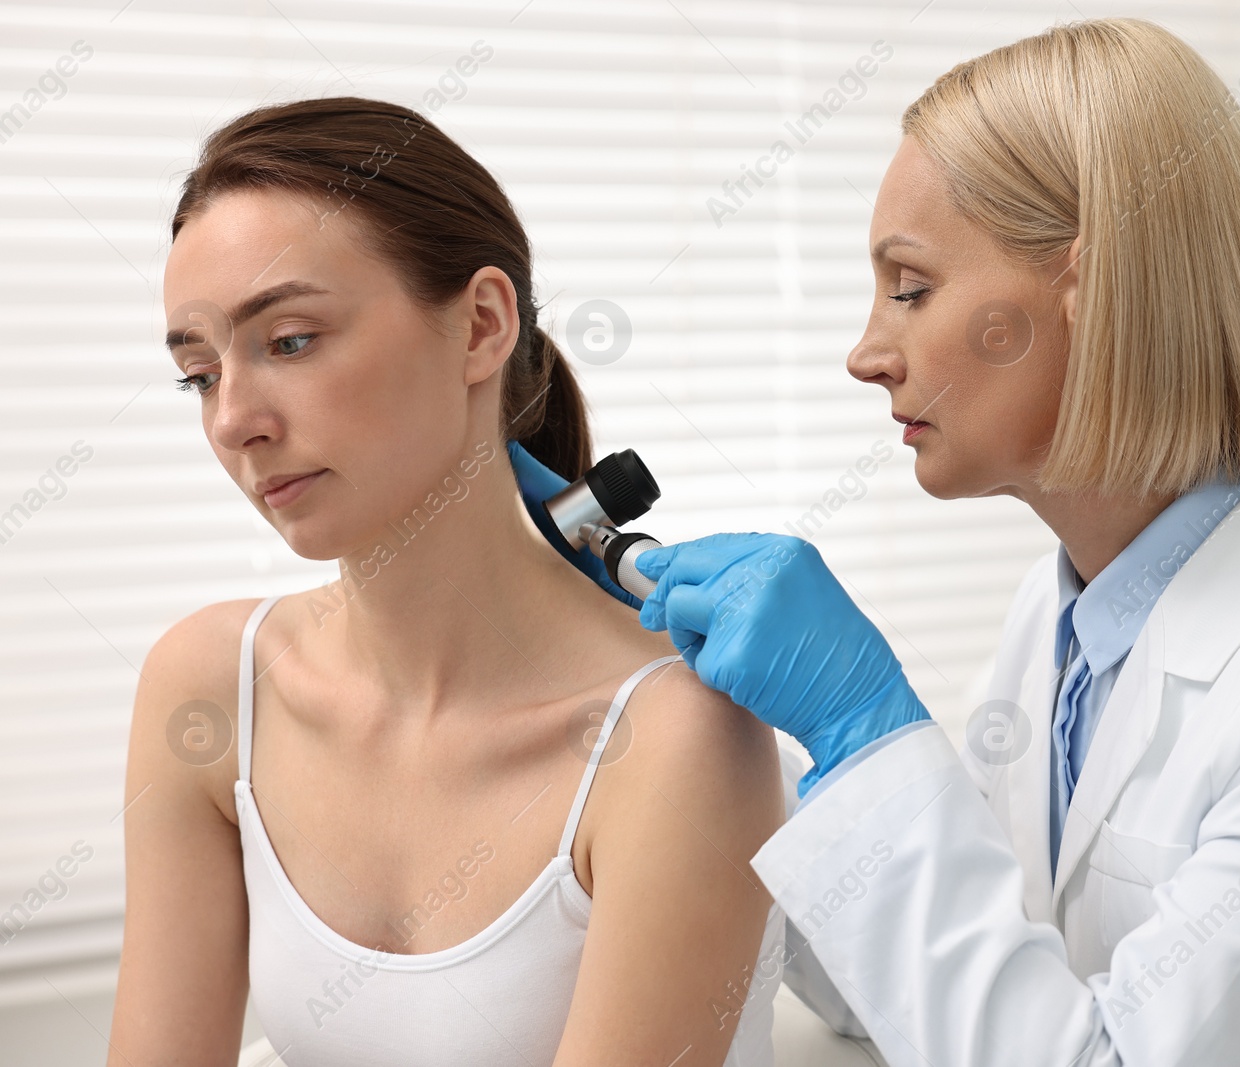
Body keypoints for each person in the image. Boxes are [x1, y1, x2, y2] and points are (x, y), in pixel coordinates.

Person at [522, 17, 1240, 1067]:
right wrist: (719, 740)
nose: (866, 352)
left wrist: (866, 730)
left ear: (1092, 291)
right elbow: (960, 994)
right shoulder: (1073, 609)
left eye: (912, 287)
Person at [109, 97, 785, 1067]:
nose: (232, 418)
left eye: (290, 339)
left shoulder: (672, 738)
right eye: (199, 373)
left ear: (479, 325)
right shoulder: (214, 686)